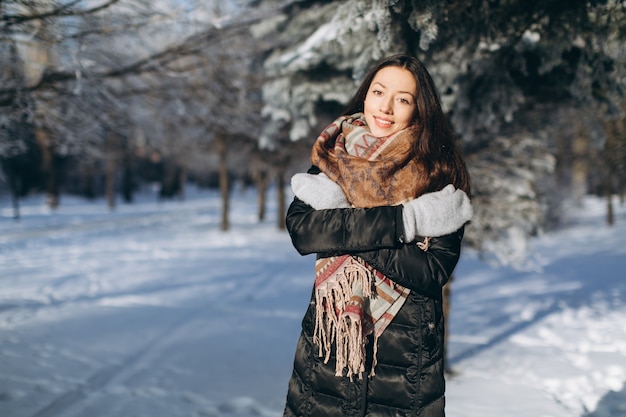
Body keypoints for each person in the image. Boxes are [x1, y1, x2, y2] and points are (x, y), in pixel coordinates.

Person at [283, 54, 473, 417]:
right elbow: (304, 231)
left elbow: (430, 271)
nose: (385, 107)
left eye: (402, 99)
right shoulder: (333, 158)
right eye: (378, 92)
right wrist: (404, 224)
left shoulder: (438, 172)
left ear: (420, 109)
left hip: (404, 367)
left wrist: (344, 226)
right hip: (326, 359)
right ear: (364, 95)